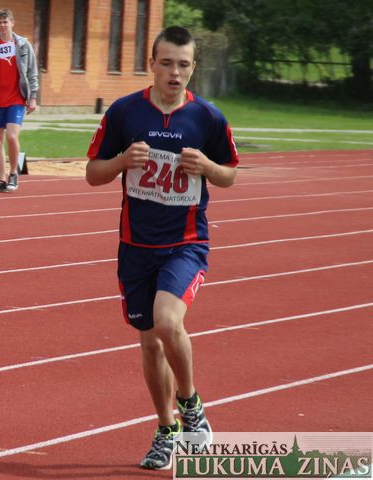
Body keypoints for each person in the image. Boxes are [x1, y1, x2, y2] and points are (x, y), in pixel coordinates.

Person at [86, 26, 239, 470]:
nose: (175, 72)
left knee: (168, 320)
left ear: (193, 67)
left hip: (185, 244)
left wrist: (207, 166)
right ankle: (166, 428)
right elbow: (93, 173)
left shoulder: (207, 118)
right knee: (151, 344)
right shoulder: (125, 112)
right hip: (136, 246)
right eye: (167, 63)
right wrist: (121, 161)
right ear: (151, 63)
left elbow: (229, 174)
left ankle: (190, 406)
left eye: (183, 65)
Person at [0, 8, 38, 192]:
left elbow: (32, 71)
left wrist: (33, 97)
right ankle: (1, 179)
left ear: (12, 23)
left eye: (5, 22)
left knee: (11, 136)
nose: (3, 25)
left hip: (16, 98)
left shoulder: (23, 45)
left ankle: (13, 173)